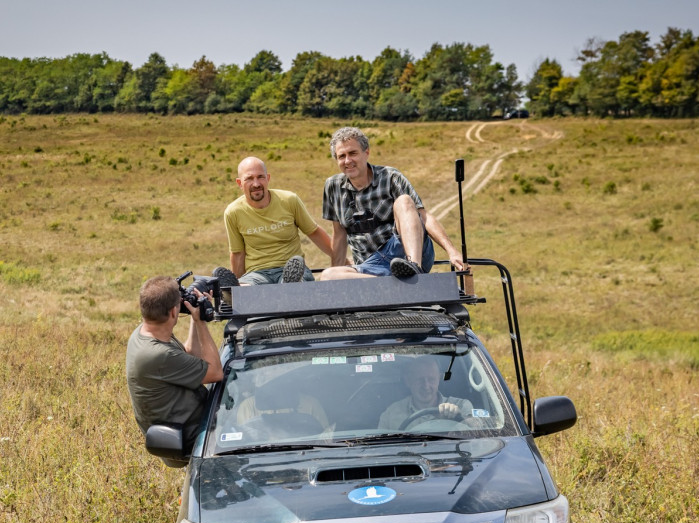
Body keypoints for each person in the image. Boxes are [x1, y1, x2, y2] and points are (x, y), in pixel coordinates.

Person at [319, 127, 468, 281]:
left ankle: (413, 269)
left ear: (366, 152)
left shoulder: (390, 177)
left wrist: (451, 251)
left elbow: (424, 217)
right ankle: (385, 285)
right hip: (370, 265)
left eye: (353, 153)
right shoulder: (332, 187)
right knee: (328, 276)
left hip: (402, 249)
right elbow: (339, 234)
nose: (348, 161)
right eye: (341, 156)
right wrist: (334, 283)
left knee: (404, 201)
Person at [125, 275, 223, 467]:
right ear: (172, 312)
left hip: (195, 420)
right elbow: (216, 373)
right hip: (193, 438)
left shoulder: (147, 332)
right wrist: (201, 322)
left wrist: (194, 316)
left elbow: (189, 354)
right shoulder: (158, 354)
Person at [219, 156, 333, 285]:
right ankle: (233, 289)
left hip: (289, 268)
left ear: (268, 178)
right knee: (247, 288)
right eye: (249, 179)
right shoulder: (233, 212)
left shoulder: (289, 200)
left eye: (260, 177)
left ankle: (290, 284)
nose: (256, 184)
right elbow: (238, 253)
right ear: (239, 183)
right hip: (257, 274)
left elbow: (314, 232)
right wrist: (236, 288)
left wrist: (342, 260)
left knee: (291, 283)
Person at [378, 357, 474, 430]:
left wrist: (458, 419)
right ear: (408, 381)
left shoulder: (461, 406)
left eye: (431, 379)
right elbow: (381, 447)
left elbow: (477, 438)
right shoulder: (391, 415)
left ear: (439, 379)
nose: (426, 386)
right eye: (420, 380)